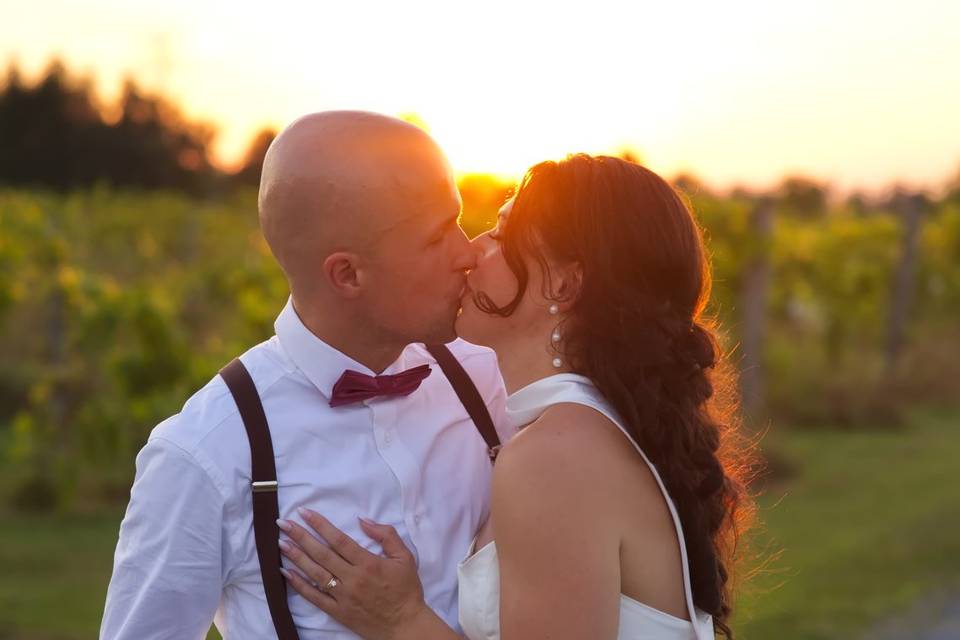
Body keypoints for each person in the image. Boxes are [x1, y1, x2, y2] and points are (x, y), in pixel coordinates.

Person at [276, 154, 757, 639]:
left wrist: (401, 621)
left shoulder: (554, 458)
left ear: (563, 283)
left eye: (502, 236)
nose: (471, 252)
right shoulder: (585, 430)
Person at [99, 111, 511, 639]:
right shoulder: (205, 453)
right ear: (348, 274)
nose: (468, 250)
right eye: (437, 238)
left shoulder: (489, 379)